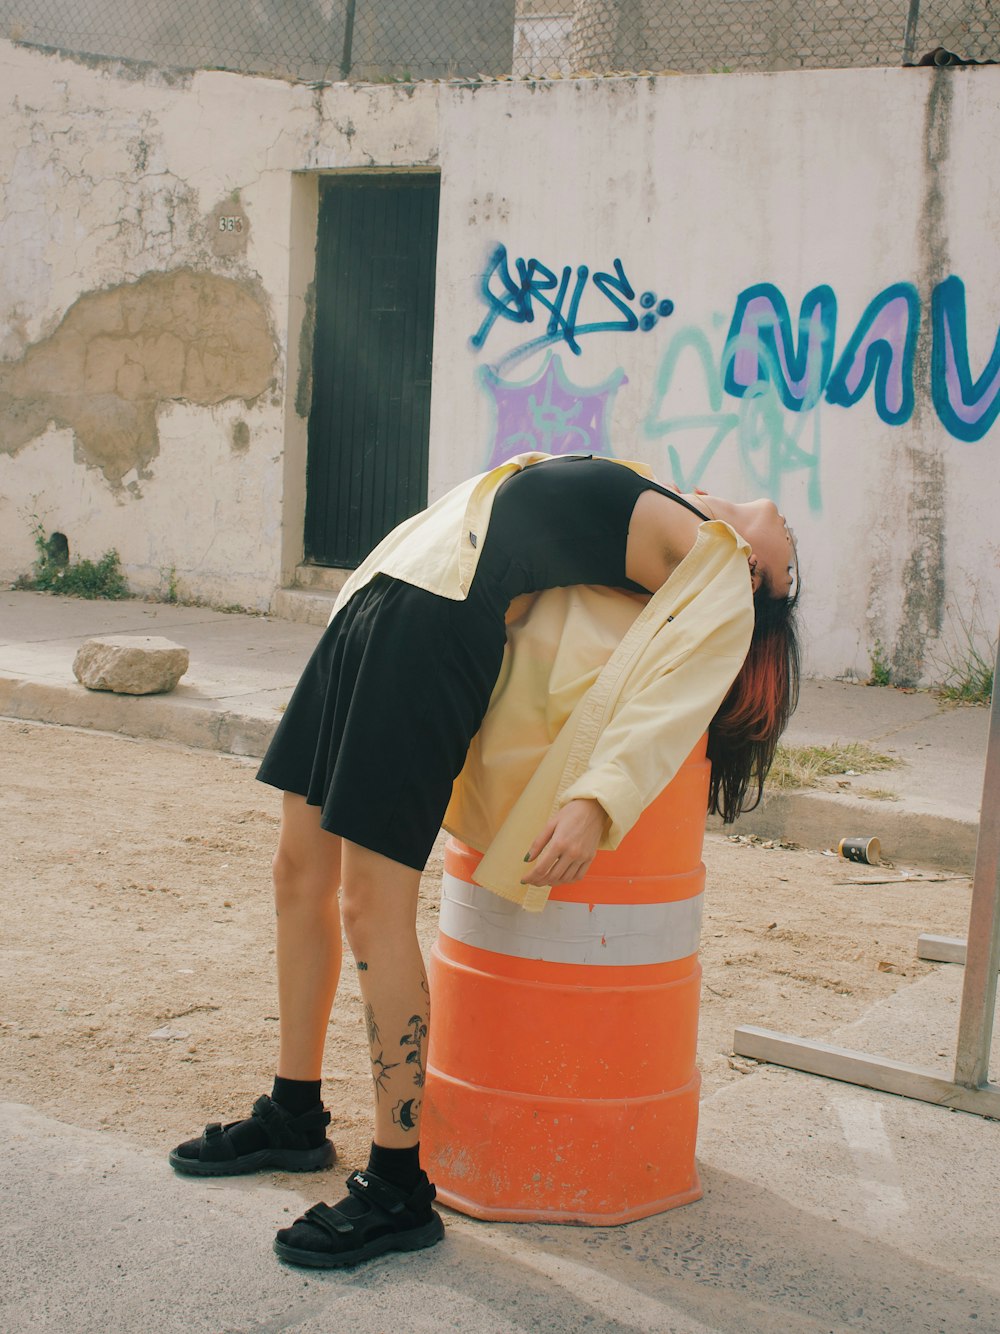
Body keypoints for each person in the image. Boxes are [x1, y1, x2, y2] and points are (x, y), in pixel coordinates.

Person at [169, 451, 800, 1269]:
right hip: (381, 597)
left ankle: (397, 1185)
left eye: (794, 563)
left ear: (761, 577)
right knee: (298, 873)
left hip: (433, 630)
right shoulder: (660, 490)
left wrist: (597, 798)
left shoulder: (717, 567)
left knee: (370, 906)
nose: (786, 521)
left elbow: (679, 691)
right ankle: (294, 1115)